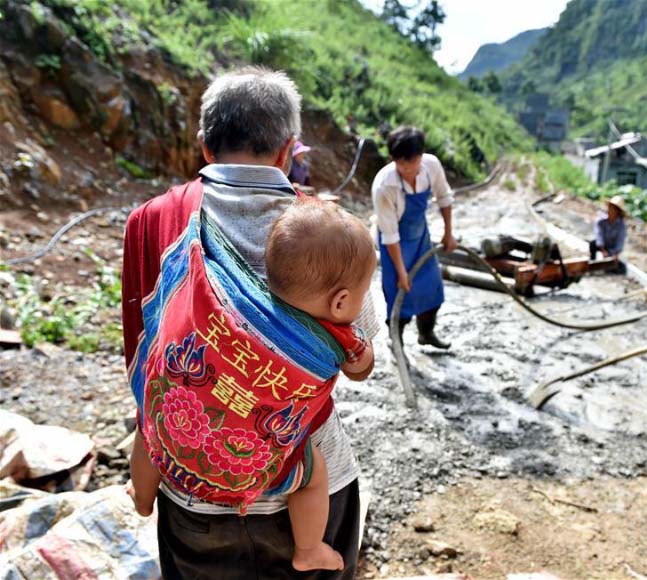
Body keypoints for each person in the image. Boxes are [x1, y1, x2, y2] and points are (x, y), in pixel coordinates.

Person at [122, 66, 380, 579]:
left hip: (190, 478)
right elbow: (355, 350)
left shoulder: (153, 220)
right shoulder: (328, 229)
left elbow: (141, 352)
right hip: (304, 478)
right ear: (289, 150)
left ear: (204, 146)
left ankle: (142, 492)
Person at [372, 126, 457, 348]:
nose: (407, 170)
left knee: (431, 290)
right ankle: (396, 341)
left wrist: (449, 234)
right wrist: (401, 272)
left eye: (412, 163)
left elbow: (444, 198)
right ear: (393, 159)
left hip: (421, 238)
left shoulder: (431, 166)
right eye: (401, 164)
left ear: (421, 156)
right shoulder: (384, 186)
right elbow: (390, 234)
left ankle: (426, 334)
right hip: (394, 244)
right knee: (398, 295)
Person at [589, 195, 627, 263]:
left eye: (613, 208)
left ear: (617, 211)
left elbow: (620, 240)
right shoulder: (601, 220)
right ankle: (592, 261)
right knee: (592, 243)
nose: (610, 209)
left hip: (611, 249)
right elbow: (599, 236)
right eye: (610, 207)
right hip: (602, 246)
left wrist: (616, 254)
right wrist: (603, 250)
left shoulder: (621, 225)